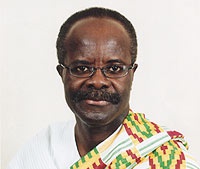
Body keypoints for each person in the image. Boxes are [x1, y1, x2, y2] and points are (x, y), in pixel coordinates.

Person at [7, 7, 199, 169]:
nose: (98, 81)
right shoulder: (43, 148)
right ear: (62, 73)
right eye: (82, 68)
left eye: (114, 68)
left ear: (132, 74)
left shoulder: (169, 160)